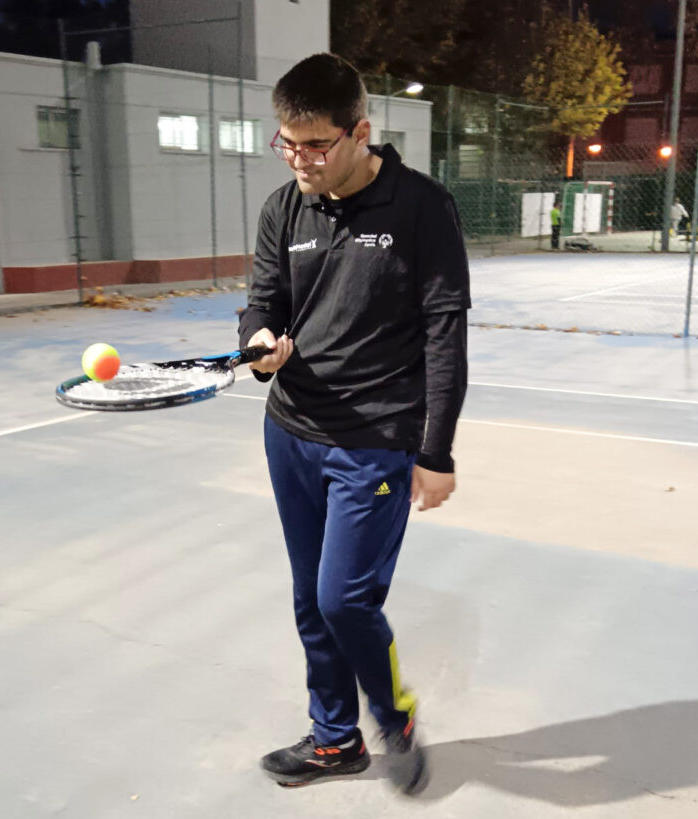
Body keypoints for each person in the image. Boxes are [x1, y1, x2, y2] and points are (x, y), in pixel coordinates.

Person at [238, 53, 469, 795]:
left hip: (374, 442)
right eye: (287, 144)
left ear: (360, 132)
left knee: (345, 599)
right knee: (311, 599)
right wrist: (258, 339)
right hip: (290, 432)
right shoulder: (284, 207)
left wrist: (435, 452)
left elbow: (445, 335)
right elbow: (263, 299)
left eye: (316, 145)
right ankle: (335, 739)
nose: (300, 160)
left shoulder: (421, 207)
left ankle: (393, 714)